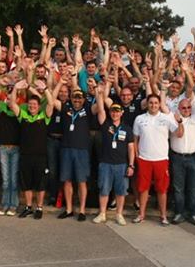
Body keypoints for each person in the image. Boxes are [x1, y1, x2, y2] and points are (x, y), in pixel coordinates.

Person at [7, 80, 55, 219]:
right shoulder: (23, 115)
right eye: (30, 104)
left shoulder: (44, 116)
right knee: (26, 183)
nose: (32, 106)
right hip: (25, 155)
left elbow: (51, 104)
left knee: (40, 184)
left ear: (39, 106)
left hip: (40, 156)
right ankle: (28, 207)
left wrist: (45, 89)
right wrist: (16, 88)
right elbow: (12, 104)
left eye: (34, 104)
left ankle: (39, 207)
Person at [132, 93, 180, 225]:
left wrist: (180, 121)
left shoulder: (166, 118)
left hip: (161, 159)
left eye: (156, 103)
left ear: (159, 105)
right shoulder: (139, 119)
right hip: (144, 159)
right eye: (151, 103)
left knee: (162, 189)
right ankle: (141, 214)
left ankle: (163, 216)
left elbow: (179, 133)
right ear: (147, 104)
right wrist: (137, 155)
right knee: (143, 188)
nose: (153, 105)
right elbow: (135, 139)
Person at [93, 84, 135, 225]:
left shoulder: (127, 129)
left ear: (122, 113)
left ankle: (119, 214)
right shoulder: (105, 124)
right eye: (113, 111)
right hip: (106, 163)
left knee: (121, 191)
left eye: (117, 111)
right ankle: (102, 213)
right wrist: (99, 94)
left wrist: (131, 165)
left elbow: (131, 148)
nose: (115, 113)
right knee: (104, 190)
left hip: (122, 164)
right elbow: (100, 109)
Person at [54, 86, 97, 221]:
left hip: (82, 150)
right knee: (67, 180)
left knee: (81, 181)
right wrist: (59, 83)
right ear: (71, 98)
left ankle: (82, 210)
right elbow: (52, 101)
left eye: (79, 98)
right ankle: (69, 209)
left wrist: (97, 90)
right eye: (74, 97)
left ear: (84, 99)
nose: (77, 100)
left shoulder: (88, 110)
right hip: (66, 148)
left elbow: (100, 107)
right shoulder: (66, 108)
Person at [169, 97, 195, 225]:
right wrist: (179, 121)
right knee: (178, 188)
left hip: (193, 157)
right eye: (183, 108)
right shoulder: (173, 119)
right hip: (177, 157)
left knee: (193, 188)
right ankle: (179, 213)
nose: (187, 110)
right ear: (179, 109)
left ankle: (193, 214)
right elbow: (179, 134)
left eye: (189, 107)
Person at [0, 80, 21, 216]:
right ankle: (5, 204)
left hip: (16, 148)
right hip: (3, 147)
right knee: (6, 179)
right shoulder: (2, 107)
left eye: (12, 98)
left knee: (14, 179)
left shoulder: (20, 110)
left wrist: (17, 88)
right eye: (7, 98)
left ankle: (13, 205)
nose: (9, 100)